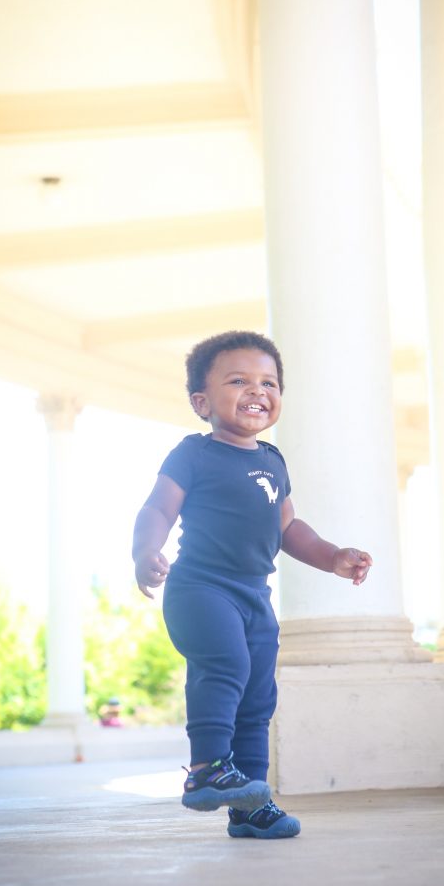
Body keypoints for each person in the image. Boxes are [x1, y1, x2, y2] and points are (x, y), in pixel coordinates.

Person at [132, 331, 372, 839]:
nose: (257, 390)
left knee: (259, 697)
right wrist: (145, 551)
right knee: (228, 665)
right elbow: (158, 507)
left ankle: (250, 804)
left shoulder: (273, 460)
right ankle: (206, 770)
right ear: (202, 401)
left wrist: (333, 557)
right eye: (238, 380)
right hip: (201, 590)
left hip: (253, 598)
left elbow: (288, 528)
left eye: (268, 382)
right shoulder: (193, 454)